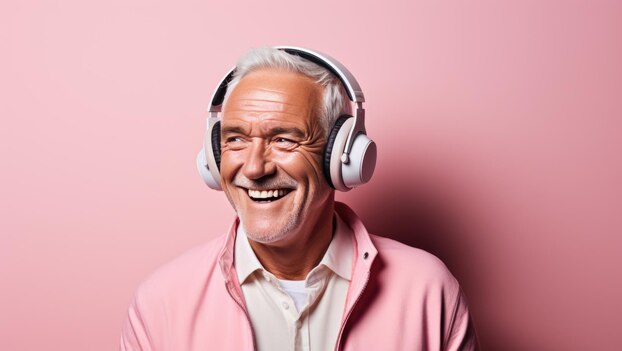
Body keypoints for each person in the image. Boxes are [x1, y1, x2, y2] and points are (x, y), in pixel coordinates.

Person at [120, 47, 479, 351]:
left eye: (284, 139)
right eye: (235, 139)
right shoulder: (161, 303)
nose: (255, 167)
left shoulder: (428, 291)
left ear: (342, 156)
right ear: (213, 159)